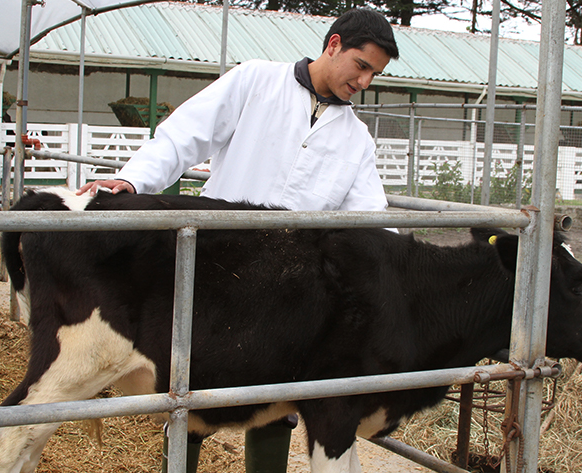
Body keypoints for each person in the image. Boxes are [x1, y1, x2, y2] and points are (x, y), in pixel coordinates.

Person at [77, 7, 400, 473]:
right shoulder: (256, 82)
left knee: (276, 397)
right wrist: (132, 182)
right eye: (362, 66)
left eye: (376, 74)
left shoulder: (356, 139)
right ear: (333, 45)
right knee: (189, 382)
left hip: (287, 288)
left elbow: (373, 220)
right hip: (216, 268)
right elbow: (184, 135)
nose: (366, 82)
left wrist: (399, 274)